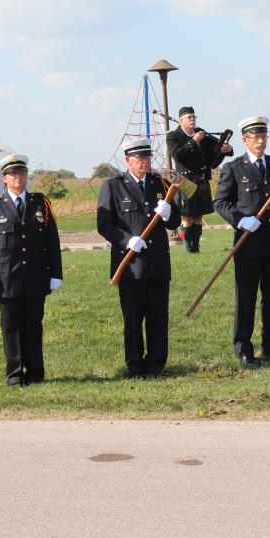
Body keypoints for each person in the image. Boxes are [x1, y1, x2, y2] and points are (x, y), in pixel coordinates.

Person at [97, 138, 181, 377]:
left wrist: (168, 214)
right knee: (133, 318)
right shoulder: (113, 186)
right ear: (128, 160)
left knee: (158, 317)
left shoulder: (160, 184)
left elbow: (176, 220)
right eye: (139, 158)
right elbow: (104, 225)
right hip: (130, 265)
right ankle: (135, 366)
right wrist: (126, 240)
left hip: (157, 264)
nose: (144, 162)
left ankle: (156, 364)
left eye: (147, 158)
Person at [213, 116, 270, 367]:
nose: (261, 141)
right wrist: (240, 220)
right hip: (248, 244)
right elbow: (220, 203)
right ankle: (244, 349)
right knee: (245, 299)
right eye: (256, 137)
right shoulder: (233, 168)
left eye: (264, 136)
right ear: (245, 140)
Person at [0, 154, 63, 386]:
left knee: (34, 326)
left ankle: (35, 373)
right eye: (13, 174)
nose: (18, 177)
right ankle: (14, 375)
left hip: (36, 278)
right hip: (7, 280)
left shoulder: (40, 204)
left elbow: (51, 242)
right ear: (4, 179)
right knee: (11, 328)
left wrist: (56, 273)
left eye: (22, 173)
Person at [166, 106, 234, 252]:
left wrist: (226, 149)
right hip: (184, 181)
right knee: (186, 218)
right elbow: (178, 155)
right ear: (180, 120)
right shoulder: (173, 136)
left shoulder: (201, 132)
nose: (192, 119)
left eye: (194, 117)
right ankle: (188, 249)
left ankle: (195, 248)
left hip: (202, 179)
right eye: (189, 117)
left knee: (198, 216)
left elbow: (216, 147)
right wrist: (194, 141)